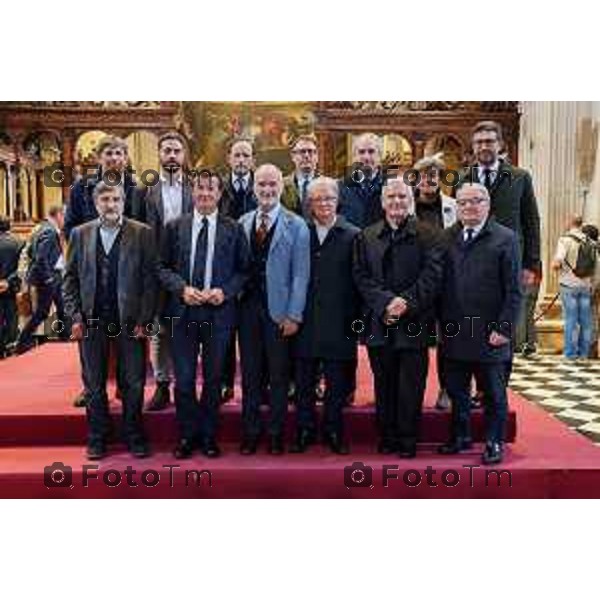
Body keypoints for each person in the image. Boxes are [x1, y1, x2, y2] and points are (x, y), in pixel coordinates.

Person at [158, 170, 250, 459]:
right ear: (192, 191)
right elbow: (161, 267)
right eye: (200, 188)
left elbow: (245, 271)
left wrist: (226, 291)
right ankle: (187, 435)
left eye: (211, 189)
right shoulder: (174, 227)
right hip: (181, 313)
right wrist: (181, 288)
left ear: (220, 193)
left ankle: (209, 436)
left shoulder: (234, 229)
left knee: (213, 380)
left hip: (218, 314)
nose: (205, 194)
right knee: (184, 380)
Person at [63, 182, 157, 460]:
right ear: (95, 203)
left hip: (130, 322)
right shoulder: (80, 234)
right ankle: (97, 437)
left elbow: (150, 282)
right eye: (105, 199)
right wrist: (74, 317)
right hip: (92, 322)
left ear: (123, 201)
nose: (110, 204)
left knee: (134, 382)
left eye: (115, 199)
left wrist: (145, 319)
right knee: (93, 384)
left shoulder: (142, 233)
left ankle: (134, 435)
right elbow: (69, 280)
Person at [353, 177, 444, 458]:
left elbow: (433, 276)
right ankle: (387, 435)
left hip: (415, 320)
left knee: (411, 384)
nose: (396, 202)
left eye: (402, 197)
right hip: (380, 320)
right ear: (382, 203)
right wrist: (385, 302)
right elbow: (361, 276)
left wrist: (406, 302)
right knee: (384, 382)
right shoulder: (366, 236)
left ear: (411, 201)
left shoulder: (430, 235)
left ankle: (407, 438)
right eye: (391, 197)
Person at [438, 183, 522, 466]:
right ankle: (460, 437)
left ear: (487, 204)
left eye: (476, 201)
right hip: (455, 331)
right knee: (457, 391)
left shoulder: (505, 238)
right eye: (463, 203)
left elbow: (514, 290)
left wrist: (505, 328)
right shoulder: (447, 237)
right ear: (457, 207)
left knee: (494, 395)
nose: (469, 207)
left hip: (490, 333)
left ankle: (494, 441)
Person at [238, 164, 310, 455]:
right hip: (247, 310)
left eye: (272, 185)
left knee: (279, 375)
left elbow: (300, 275)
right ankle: (251, 431)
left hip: (280, 312)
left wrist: (294, 314)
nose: (267, 190)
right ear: (254, 188)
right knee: (251, 374)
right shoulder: (242, 222)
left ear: (282, 187)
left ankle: (276, 432)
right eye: (261, 185)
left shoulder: (297, 225)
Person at [64, 135, 140, 408]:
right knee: (90, 335)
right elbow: (70, 225)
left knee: (126, 336)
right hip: (89, 264)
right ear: (99, 157)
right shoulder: (81, 187)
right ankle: (91, 387)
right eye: (109, 152)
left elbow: (140, 226)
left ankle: (124, 385)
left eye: (120, 153)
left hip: (124, 264)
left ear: (126, 158)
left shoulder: (135, 187)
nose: (115, 158)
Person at [291, 177, 360, 455]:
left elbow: (359, 280)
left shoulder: (353, 234)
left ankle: (333, 430)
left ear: (337, 200)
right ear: (309, 203)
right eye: (317, 199)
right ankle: (305, 430)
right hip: (305, 319)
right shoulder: (300, 232)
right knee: (304, 382)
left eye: (328, 198)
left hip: (340, 320)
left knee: (336, 383)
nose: (323, 204)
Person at [137, 131, 194, 411]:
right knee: (159, 329)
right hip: (154, 269)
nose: (172, 155)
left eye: (176, 151)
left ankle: (188, 385)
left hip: (189, 269)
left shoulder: (197, 188)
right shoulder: (144, 191)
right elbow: (135, 231)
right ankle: (161, 385)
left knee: (189, 328)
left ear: (184, 156)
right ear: (159, 155)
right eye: (167, 150)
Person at [412, 154, 458, 410]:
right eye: (423, 175)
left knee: (447, 340)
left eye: (434, 175)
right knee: (415, 341)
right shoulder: (406, 205)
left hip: (446, 282)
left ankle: (447, 389)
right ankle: (411, 394)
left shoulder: (453, 205)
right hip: (415, 284)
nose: (428, 180)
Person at [219, 137, 258, 402]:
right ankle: (225, 383)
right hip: (223, 265)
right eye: (237, 155)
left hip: (255, 267)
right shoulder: (219, 186)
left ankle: (256, 383)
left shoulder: (263, 185)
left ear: (253, 159)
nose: (242, 160)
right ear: (229, 159)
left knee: (253, 331)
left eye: (246, 155)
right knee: (224, 329)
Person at [15, 206, 66, 354]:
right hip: (48, 279)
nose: (66, 219)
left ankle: (65, 340)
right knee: (42, 313)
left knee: (63, 310)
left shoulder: (42, 228)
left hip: (53, 277)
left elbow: (32, 251)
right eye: (64, 215)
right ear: (58, 215)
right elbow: (41, 258)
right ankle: (22, 342)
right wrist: (48, 278)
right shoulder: (49, 231)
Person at [552, 215, 598, 361]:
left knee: (571, 319)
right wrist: (592, 284)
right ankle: (584, 354)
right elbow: (596, 265)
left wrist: (555, 266)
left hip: (568, 284)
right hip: (585, 286)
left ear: (570, 223)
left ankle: (570, 353)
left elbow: (558, 261)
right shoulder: (591, 241)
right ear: (580, 224)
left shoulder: (564, 240)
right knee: (586, 321)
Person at [338, 133, 385, 230]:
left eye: (371, 151)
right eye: (361, 152)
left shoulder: (389, 185)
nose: (366, 157)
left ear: (380, 156)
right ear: (354, 157)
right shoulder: (340, 187)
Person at [0, 216, 25, 358]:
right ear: (9, 226)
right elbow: (22, 268)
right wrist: (8, 282)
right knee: (11, 316)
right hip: (10, 288)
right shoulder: (18, 242)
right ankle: (10, 347)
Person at [281, 134, 320, 218]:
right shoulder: (281, 185)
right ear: (293, 156)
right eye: (302, 151)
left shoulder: (328, 185)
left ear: (317, 156)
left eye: (310, 151)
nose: (306, 156)